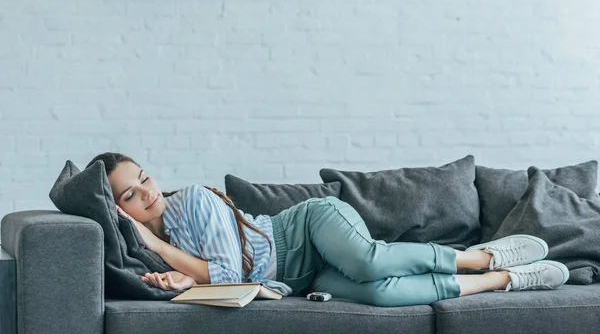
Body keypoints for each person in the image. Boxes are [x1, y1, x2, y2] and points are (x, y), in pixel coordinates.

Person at [87, 152, 570, 307]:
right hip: (299, 280)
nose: (147, 192)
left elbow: (229, 271)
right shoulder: (155, 247)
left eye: (144, 177)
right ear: (119, 209)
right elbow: (219, 282)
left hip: (306, 228)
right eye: (129, 194)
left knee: (369, 261)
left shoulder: (190, 199)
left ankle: (483, 256)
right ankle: (503, 280)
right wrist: (184, 280)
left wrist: (155, 245)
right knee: (380, 295)